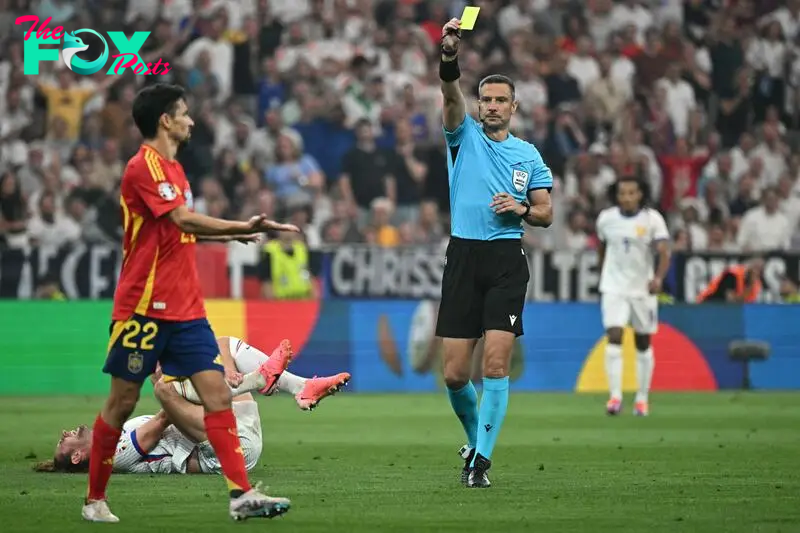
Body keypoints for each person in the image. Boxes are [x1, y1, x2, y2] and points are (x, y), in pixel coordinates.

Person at [83, 83, 300, 523]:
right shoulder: (141, 168)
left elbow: (178, 230)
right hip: (143, 307)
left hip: (185, 310)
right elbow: (180, 218)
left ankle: (240, 494)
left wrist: (230, 233)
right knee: (122, 403)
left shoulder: (176, 172)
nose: (191, 120)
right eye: (183, 113)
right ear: (165, 119)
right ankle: (95, 500)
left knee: (218, 395)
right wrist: (236, 224)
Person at [436, 18, 554, 488]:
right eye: (485, 99)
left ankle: (480, 461)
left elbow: (545, 213)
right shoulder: (461, 136)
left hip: (506, 259)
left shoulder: (529, 155)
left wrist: (521, 208)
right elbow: (448, 94)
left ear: (513, 106)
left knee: (496, 365)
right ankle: (474, 441)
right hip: (463, 255)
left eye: (500, 100)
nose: (491, 107)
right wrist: (449, 55)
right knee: (453, 375)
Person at [36, 337, 351, 475]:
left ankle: (300, 387)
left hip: (229, 440)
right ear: (78, 456)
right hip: (224, 450)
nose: (66, 432)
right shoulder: (115, 455)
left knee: (221, 345)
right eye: (63, 441)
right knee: (167, 388)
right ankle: (259, 381)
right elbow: (164, 419)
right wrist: (181, 375)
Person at [596, 177, 671, 417]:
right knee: (614, 334)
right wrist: (603, 273)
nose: (627, 197)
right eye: (622, 193)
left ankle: (641, 398)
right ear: (616, 196)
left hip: (642, 289)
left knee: (642, 341)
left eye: (632, 192)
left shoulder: (652, 219)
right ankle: (615, 397)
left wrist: (658, 278)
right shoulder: (606, 219)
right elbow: (602, 247)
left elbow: (664, 251)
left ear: (640, 194)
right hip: (614, 287)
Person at [695, 257, 764, 304]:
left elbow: (747, 303)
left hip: (721, 308)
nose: (756, 272)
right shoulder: (733, 275)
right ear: (749, 267)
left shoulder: (756, 284)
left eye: (759, 270)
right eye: (755, 268)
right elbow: (730, 301)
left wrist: (750, 286)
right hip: (707, 303)